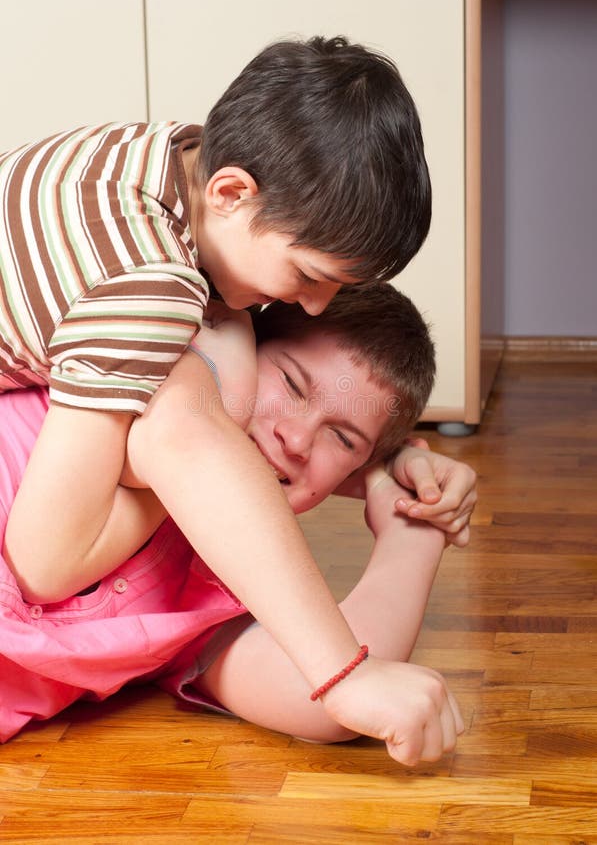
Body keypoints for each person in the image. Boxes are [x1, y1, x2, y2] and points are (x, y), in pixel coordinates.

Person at [0, 36, 456, 764]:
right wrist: (343, 671)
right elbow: (48, 559)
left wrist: (393, 487)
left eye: (343, 440)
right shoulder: (153, 292)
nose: (306, 306)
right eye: (307, 275)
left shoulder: (170, 160)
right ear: (231, 193)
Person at [0, 285, 475, 756]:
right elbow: (185, 442)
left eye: (343, 440)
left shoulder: (229, 583)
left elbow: (323, 705)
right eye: (290, 384)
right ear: (242, 351)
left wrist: (413, 527)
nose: (295, 438)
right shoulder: (137, 395)